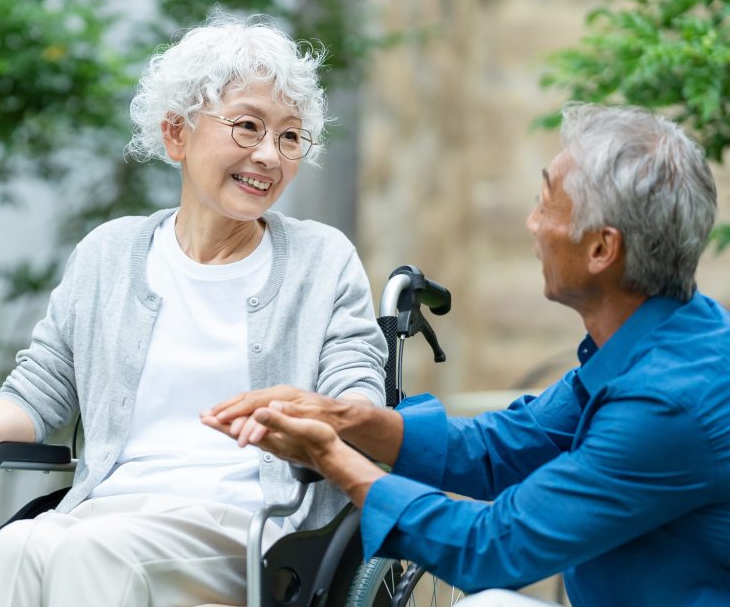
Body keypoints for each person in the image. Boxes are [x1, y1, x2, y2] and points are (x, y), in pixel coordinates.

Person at [0, 14, 388, 607]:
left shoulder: (322, 260)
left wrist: (321, 422)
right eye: (247, 126)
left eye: (289, 136)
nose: (269, 154)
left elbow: (357, 391)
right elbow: (40, 386)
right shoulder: (110, 253)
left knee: (92, 553)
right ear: (176, 134)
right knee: (11, 550)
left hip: (248, 526)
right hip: (106, 509)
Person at [204, 104, 730, 606]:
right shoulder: (662, 338)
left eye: (547, 202)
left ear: (601, 250)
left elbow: (493, 547)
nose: (531, 223)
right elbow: (499, 449)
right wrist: (344, 417)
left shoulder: (667, 404)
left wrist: (330, 456)